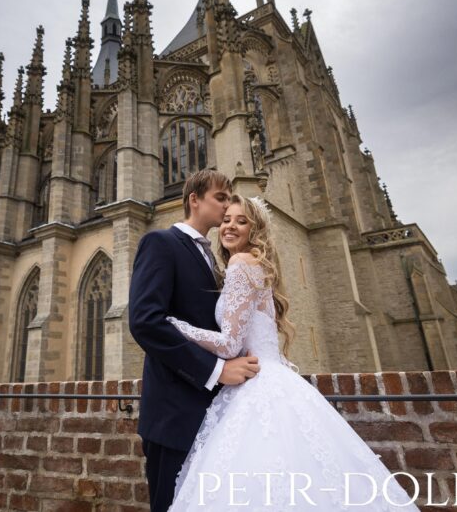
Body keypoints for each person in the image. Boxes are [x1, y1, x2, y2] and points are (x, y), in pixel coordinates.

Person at [164, 194, 422, 511]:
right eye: (227, 219)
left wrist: (176, 325)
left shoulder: (240, 264)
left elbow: (231, 344)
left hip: (256, 381)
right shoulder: (257, 266)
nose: (230, 226)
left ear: (254, 230)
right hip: (276, 376)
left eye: (241, 221)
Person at [128, 170, 262, 512]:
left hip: (211, 414)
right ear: (194, 200)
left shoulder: (216, 260)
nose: (227, 204)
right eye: (220, 197)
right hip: (173, 414)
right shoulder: (161, 242)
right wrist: (217, 370)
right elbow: (146, 322)